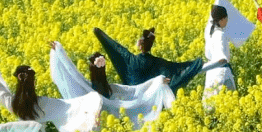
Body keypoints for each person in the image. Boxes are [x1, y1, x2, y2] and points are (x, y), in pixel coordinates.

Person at [48, 41, 175, 128]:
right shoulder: (112, 89)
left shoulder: (85, 93)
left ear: (91, 69)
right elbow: (136, 91)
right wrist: (157, 81)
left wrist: (59, 52)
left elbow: (73, 75)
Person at [92, 27, 225, 94]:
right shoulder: (159, 63)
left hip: (131, 103)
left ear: (139, 45)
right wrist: (195, 65)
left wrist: (99, 33)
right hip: (152, 107)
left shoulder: (130, 61)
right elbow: (178, 70)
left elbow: (116, 49)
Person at [203, 0, 256, 99]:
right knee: (228, 102)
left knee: (211, 106)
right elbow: (222, 57)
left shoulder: (209, 30)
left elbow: (212, 14)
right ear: (221, 20)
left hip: (211, 73)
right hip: (221, 74)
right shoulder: (220, 35)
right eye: (226, 19)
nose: (227, 21)